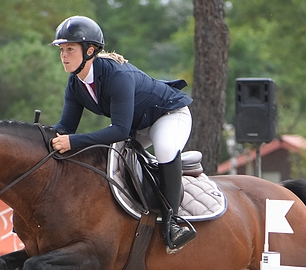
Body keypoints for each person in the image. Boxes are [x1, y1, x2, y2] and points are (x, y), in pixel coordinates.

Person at [49, 15, 197, 253]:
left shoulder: (117, 77)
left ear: (90, 51)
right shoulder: (75, 84)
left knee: (166, 149)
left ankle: (174, 223)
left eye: (70, 49)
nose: (63, 55)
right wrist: (43, 139)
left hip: (168, 115)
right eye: (62, 49)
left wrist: (72, 142)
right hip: (136, 125)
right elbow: (65, 128)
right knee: (106, 158)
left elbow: (118, 131)